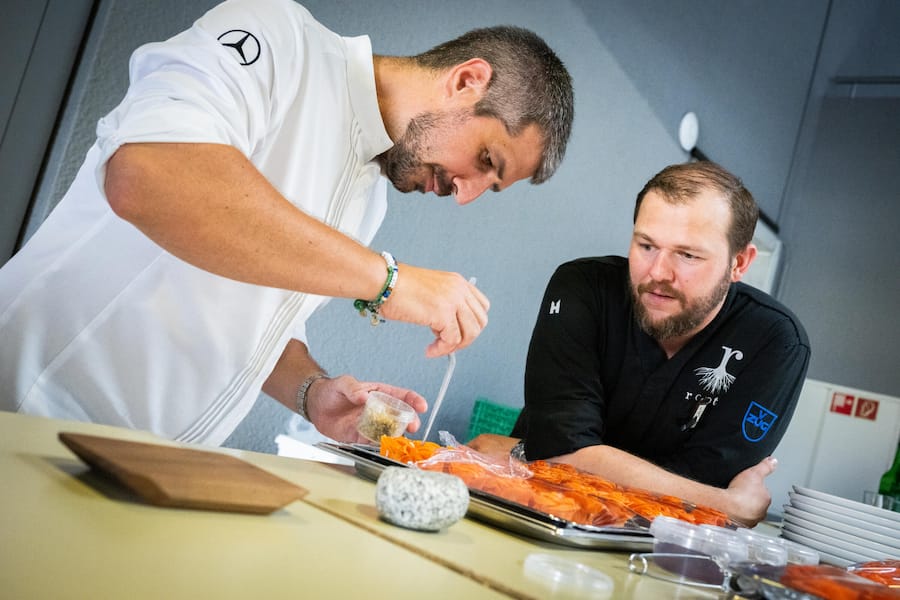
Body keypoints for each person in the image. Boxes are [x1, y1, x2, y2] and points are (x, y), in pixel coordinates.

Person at [0, 0, 574, 447]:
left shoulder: (368, 198)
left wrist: (312, 393)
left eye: (488, 188)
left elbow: (254, 327)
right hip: (30, 417)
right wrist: (391, 281)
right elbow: (148, 173)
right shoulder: (279, 40)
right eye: (485, 162)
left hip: (143, 461)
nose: (465, 195)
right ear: (467, 80)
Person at [469, 161, 809, 527]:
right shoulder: (584, 289)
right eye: (646, 245)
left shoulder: (776, 342)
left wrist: (537, 456)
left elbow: (703, 486)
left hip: (659, 553)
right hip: (533, 515)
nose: (658, 273)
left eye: (688, 255)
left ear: (739, 263)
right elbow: (563, 449)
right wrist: (728, 504)